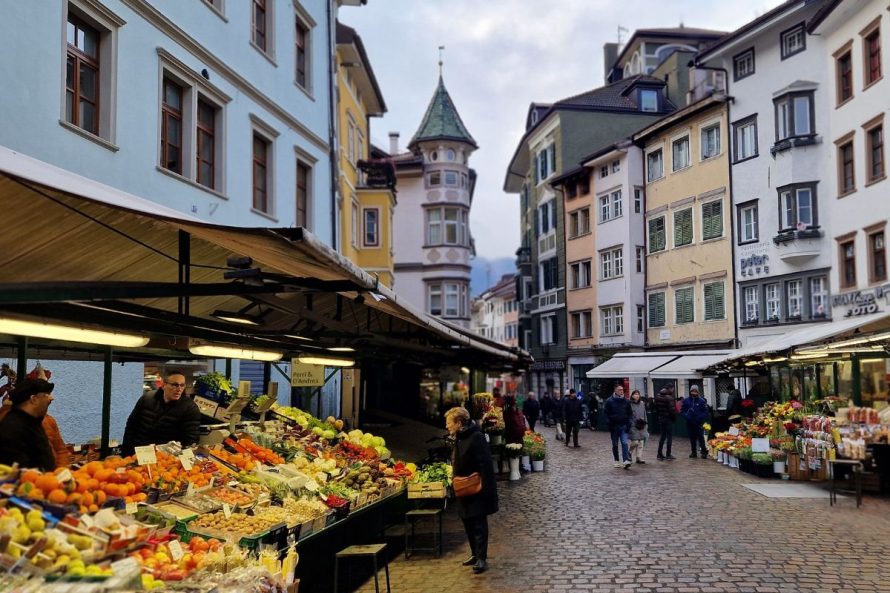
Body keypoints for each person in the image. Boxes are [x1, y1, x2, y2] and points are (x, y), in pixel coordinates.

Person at [446, 406, 497, 574]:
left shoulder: (476, 437)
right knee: (467, 521)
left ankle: (482, 558)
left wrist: (487, 490)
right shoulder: (458, 437)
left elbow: (485, 465)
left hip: (476, 488)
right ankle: (475, 554)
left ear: (459, 422)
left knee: (479, 523)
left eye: (449, 422)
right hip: (462, 488)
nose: (447, 426)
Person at [121, 370, 201, 455]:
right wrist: (126, 453)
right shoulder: (147, 398)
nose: (179, 389)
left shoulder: (190, 408)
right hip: (139, 453)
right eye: (174, 385)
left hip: (166, 457)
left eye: (182, 385)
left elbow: (190, 441)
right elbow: (131, 426)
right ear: (163, 385)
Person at [0, 379, 57, 471]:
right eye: (46, 395)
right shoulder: (13, 428)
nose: (51, 398)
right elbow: (19, 470)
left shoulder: (33, 422)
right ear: (34, 399)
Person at [604, 383, 633, 469]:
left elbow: (630, 413)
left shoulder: (626, 401)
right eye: (619, 390)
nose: (621, 391)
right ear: (615, 390)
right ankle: (616, 460)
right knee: (615, 444)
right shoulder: (609, 401)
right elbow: (605, 414)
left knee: (624, 443)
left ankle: (625, 460)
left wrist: (629, 423)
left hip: (624, 425)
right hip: (614, 426)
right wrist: (609, 424)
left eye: (622, 390)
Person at [681, 385, 710, 458]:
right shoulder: (686, 400)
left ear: (698, 392)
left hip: (698, 422)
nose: (694, 392)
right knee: (692, 438)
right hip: (690, 422)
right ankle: (693, 452)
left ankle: (703, 452)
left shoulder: (702, 401)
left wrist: (700, 417)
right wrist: (686, 417)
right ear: (690, 391)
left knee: (701, 437)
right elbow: (682, 411)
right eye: (692, 391)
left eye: (695, 391)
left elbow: (705, 412)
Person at [654, 387, 677, 460]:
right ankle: (668, 454)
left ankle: (659, 453)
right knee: (669, 437)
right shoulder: (669, 398)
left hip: (661, 418)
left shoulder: (658, 397)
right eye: (672, 389)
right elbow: (672, 410)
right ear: (670, 389)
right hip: (668, 419)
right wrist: (673, 418)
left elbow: (656, 408)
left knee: (662, 436)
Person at [627, 390, 649, 464]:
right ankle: (629, 452)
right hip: (633, 425)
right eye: (635, 394)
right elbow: (628, 415)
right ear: (632, 395)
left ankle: (639, 457)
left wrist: (646, 423)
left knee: (641, 442)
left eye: (638, 394)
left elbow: (644, 414)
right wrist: (631, 423)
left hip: (642, 424)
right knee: (635, 442)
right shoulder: (629, 404)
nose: (637, 395)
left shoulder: (642, 404)